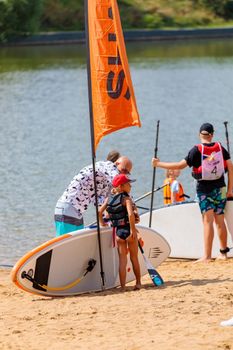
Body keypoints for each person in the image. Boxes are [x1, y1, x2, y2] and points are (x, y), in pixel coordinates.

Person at [152, 122, 233, 263]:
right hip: (221, 188)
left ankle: (207, 256)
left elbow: (179, 166)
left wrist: (158, 164)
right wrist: (230, 189)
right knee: (220, 220)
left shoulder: (196, 150)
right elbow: (231, 168)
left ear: (199, 134)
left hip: (204, 189)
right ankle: (223, 253)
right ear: (212, 134)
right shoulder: (220, 148)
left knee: (208, 221)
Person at [55, 156, 133, 236]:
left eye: (127, 173)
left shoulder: (102, 179)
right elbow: (119, 182)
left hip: (76, 212)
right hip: (68, 208)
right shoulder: (108, 166)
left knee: (73, 245)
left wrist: (110, 219)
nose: (123, 174)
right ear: (116, 163)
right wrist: (131, 206)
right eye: (123, 170)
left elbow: (100, 202)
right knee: (67, 245)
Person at [98, 174, 141, 291]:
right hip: (128, 231)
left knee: (122, 260)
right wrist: (132, 230)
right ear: (121, 186)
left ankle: (122, 286)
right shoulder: (126, 199)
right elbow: (131, 214)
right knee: (134, 258)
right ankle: (138, 283)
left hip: (118, 233)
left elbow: (99, 212)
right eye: (128, 184)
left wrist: (103, 224)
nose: (130, 186)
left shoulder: (109, 199)